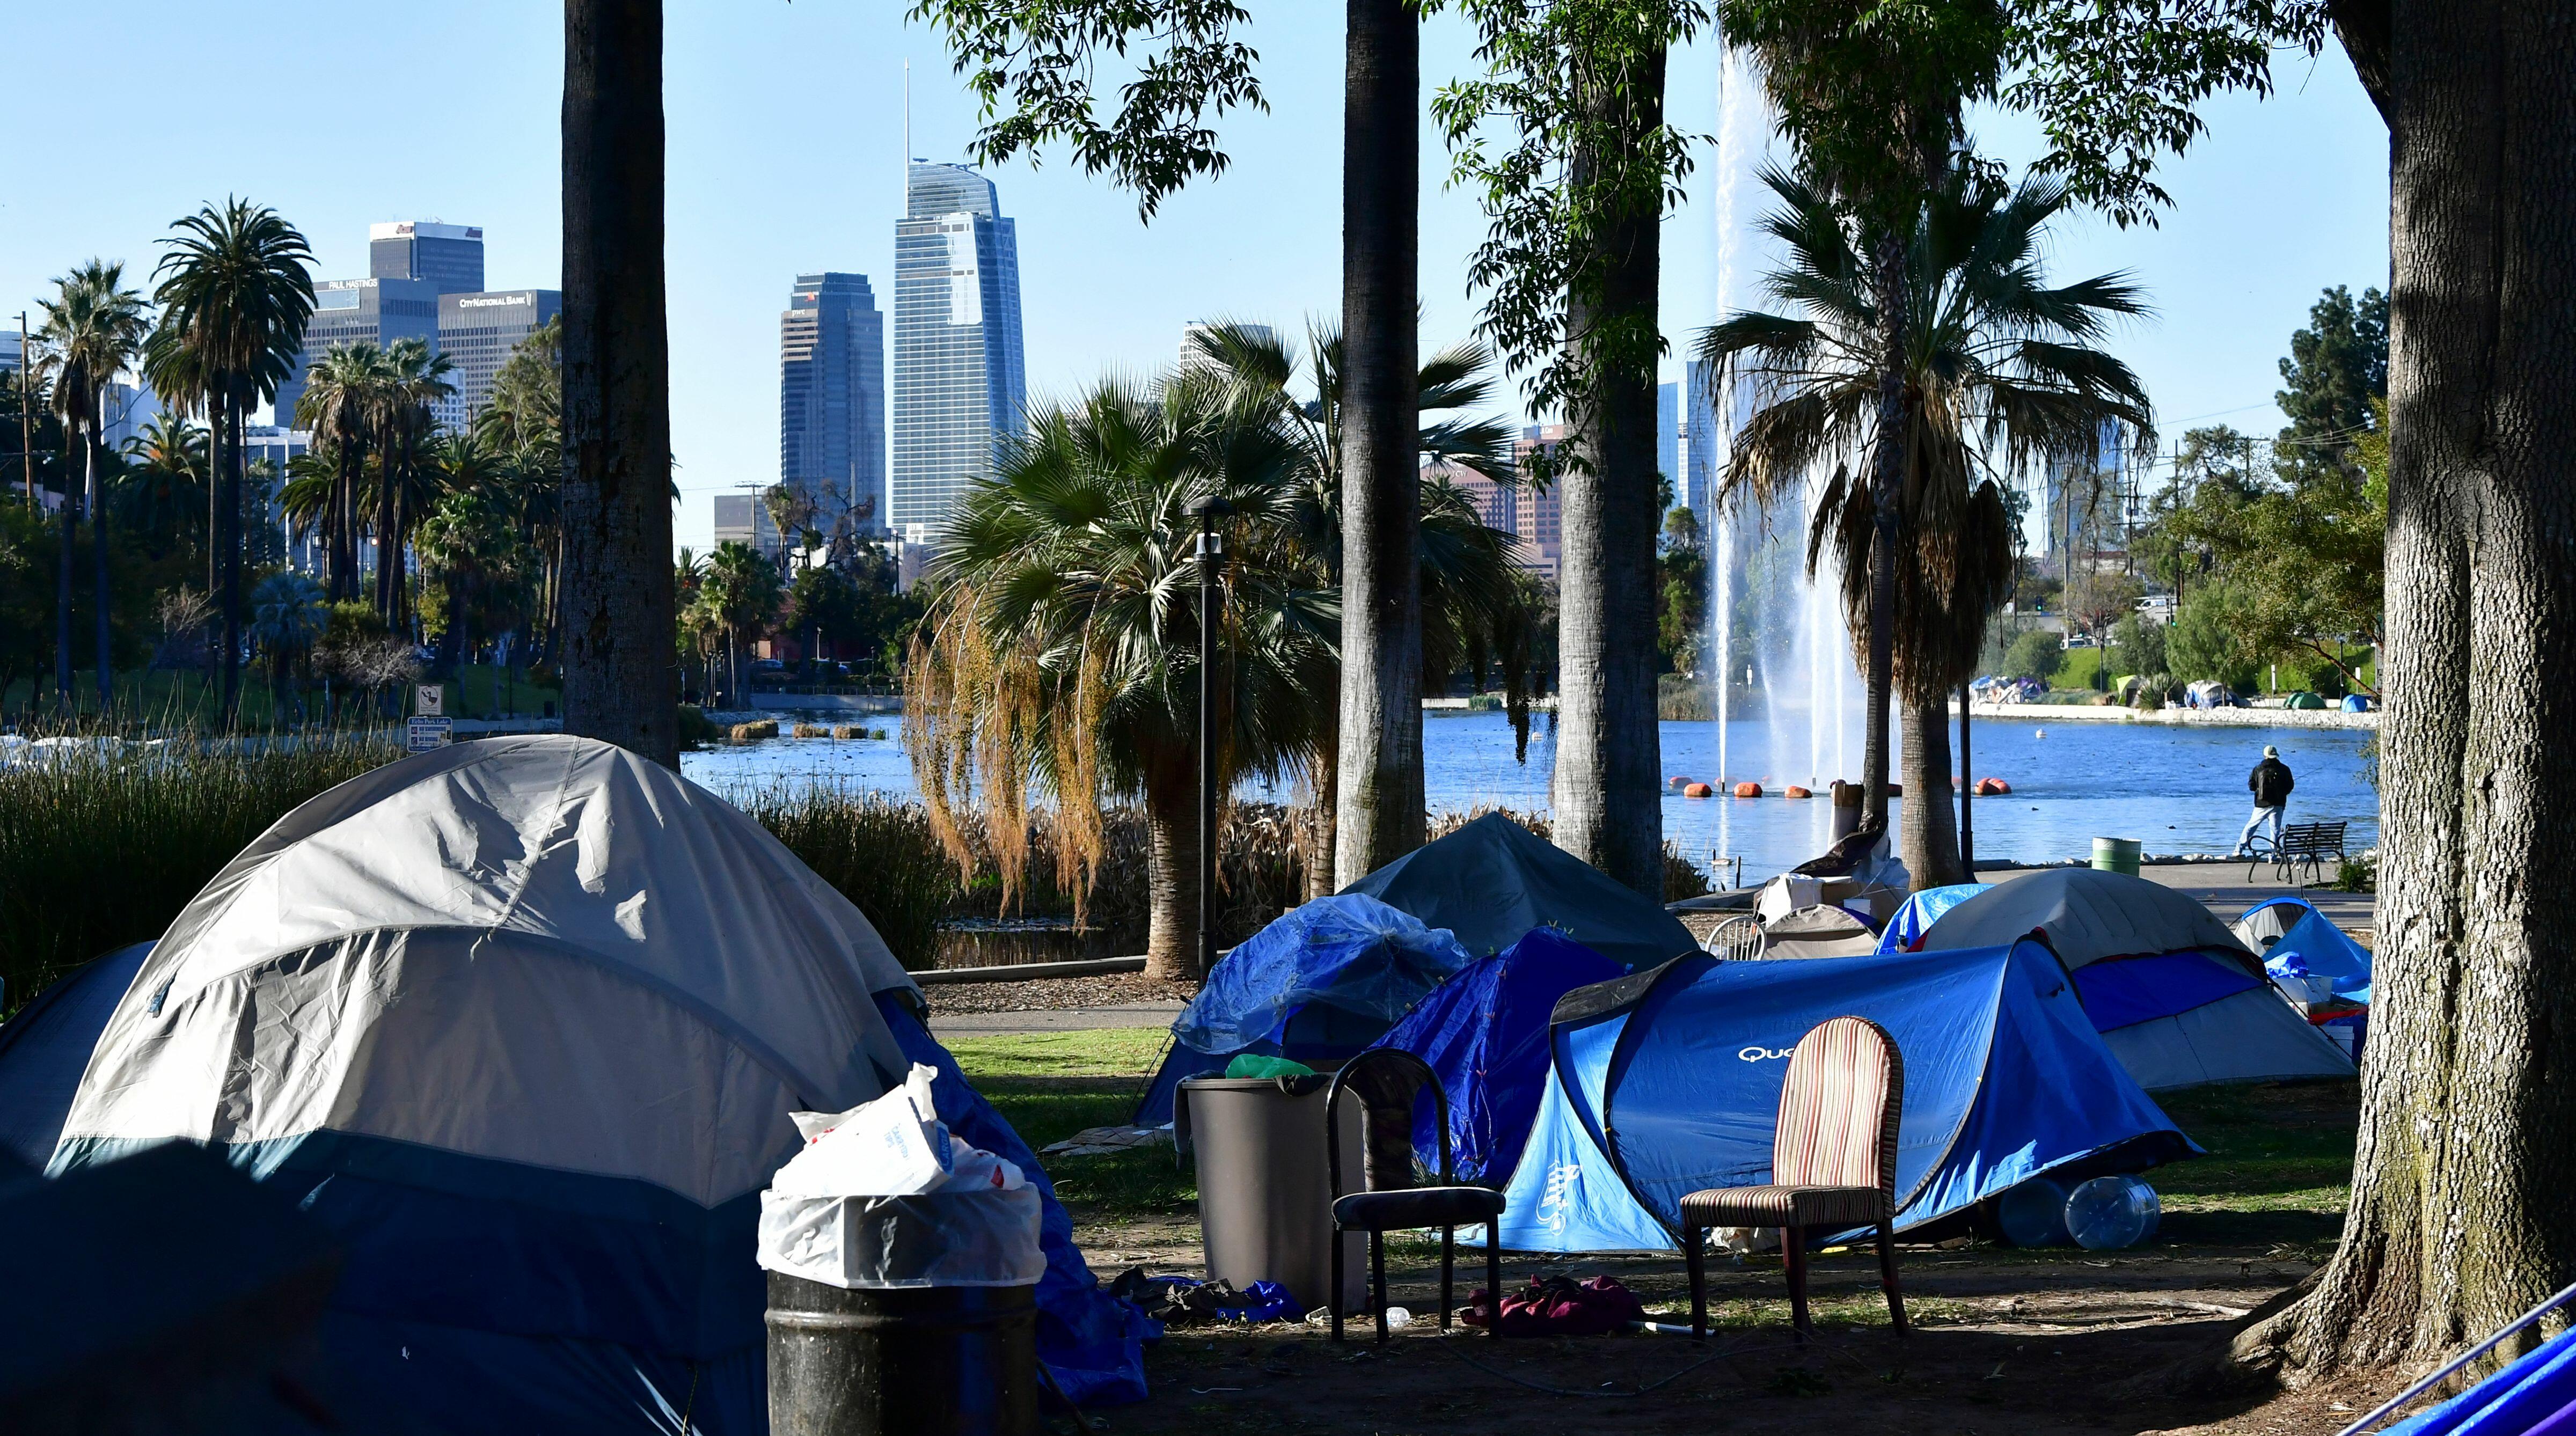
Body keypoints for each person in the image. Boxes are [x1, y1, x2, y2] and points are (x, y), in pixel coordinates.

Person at [2235, 745, 2295, 856]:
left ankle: (2239, 849)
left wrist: (2259, 791)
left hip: (2261, 804)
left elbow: (2251, 786)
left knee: (2251, 826)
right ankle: (2273, 855)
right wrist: (2282, 794)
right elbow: (2290, 786)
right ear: (2276, 755)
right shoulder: (2284, 769)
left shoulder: (2258, 769)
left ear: (2265, 755)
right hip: (2278, 804)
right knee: (2275, 830)